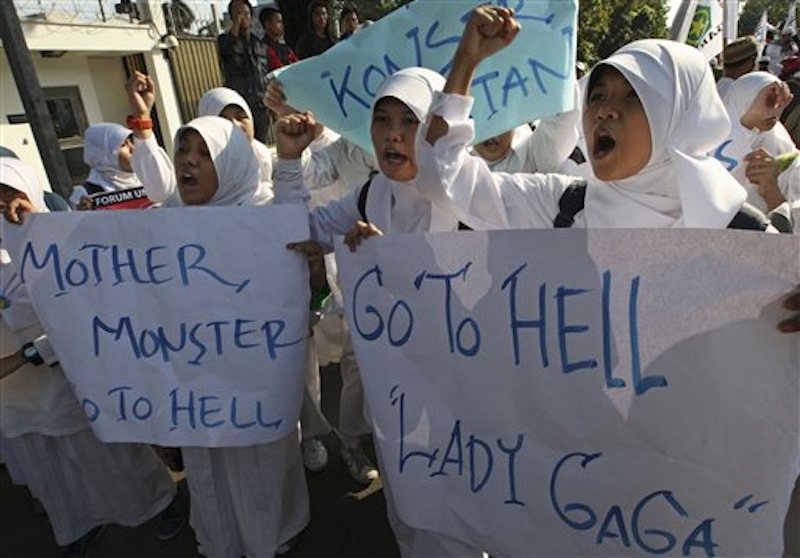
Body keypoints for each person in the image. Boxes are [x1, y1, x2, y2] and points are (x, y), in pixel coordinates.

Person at [273, 66, 487, 558]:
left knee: (461, 521)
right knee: (408, 513)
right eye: (382, 119)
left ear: (434, 125)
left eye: (409, 121)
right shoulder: (371, 195)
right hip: (395, 407)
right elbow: (300, 232)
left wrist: (394, 261)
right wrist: (289, 159)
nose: (393, 134)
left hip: (462, 406)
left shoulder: (473, 196)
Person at [1, 157, 184, 558]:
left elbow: (87, 299)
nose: (4, 205)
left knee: (112, 457)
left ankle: (161, 503)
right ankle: (75, 527)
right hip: (15, 400)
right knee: (52, 475)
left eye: (9, 193)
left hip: (66, 377)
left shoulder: (58, 234)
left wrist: (42, 231)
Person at [151, 116, 311, 557]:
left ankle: (273, 536)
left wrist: (292, 159)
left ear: (232, 162)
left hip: (252, 381)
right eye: (183, 151)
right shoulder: (164, 220)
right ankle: (220, 540)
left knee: (257, 466)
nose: (189, 162)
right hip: (195, 381)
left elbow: (294, 230)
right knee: (209, 468)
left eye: (204, 154)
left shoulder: (261, 215)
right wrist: (26, 224)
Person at [126, 71, 273, 207]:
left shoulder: (267, 209)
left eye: (205, 152)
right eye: (182, 149)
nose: (189, 159)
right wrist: (141, 118)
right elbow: (160, 187)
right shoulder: (174, 209)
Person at [717, 71, 797, 226]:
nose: (776, 110)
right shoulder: (709, 142)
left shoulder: (781, 145)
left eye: (778, 103)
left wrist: (771, 191)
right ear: (741, 100)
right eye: (769, 100)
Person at [217, 0, 269, 143]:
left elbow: (265, 71)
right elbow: (227, 49)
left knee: (260, 144)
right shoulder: (224, 40)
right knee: (242, 143)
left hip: (260, 103)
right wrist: (235, 26)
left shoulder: (259, 43)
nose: (242, 17)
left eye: (245, 13)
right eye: (238, 13)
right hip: (240, 104)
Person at [69, 123, 145, 210]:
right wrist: (84, 215)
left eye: (130, 142)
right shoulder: (84, 195)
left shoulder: (148, 179)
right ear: (104, 154)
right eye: (123, 145)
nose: (132, 148)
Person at [258, 4, 299, 72]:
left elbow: (297, 63)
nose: (282, 25)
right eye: (278, 21)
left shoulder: (284, 47)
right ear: (268, 24)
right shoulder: (263, 48)